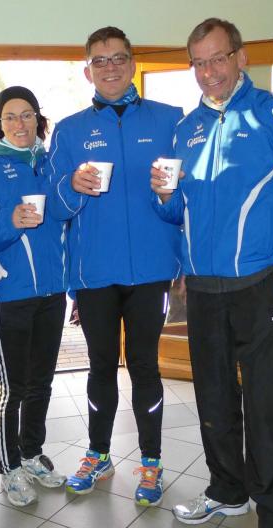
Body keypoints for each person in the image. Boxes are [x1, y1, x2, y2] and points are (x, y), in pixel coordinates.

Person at [150, 18, 273, 527]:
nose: (209, 72)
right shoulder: (185, 129)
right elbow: (176, 212)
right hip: (203, 289)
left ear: (240, 57)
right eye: (199, 63)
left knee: (267, 407)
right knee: (213, 400)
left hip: (258, 286)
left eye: (218, 59)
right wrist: (164, 195)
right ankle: (227, 490)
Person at [47, 26, 183, 506]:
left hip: (152, 270)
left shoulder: (171, 120)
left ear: (132, 64)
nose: (110, 67)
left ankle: (152, 460)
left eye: (118, 58)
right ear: (88, 71)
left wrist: (170, 197)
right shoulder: (68, 131)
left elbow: (187, 199)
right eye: (100, 61)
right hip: (93, 274)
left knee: (145, 366)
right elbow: (54, 207)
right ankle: (98, 453)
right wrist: (72, 187)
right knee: (101, 365)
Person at [0, 86, 68, 507]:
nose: (19, 123)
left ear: (38, 120)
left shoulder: (51, 164)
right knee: (12, 387)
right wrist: (10, 220)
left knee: (42, 381)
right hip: (8, 293)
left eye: (27, 115)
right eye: (10, 116)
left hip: (52, 291)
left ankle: (31, 453)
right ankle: (9, 467)